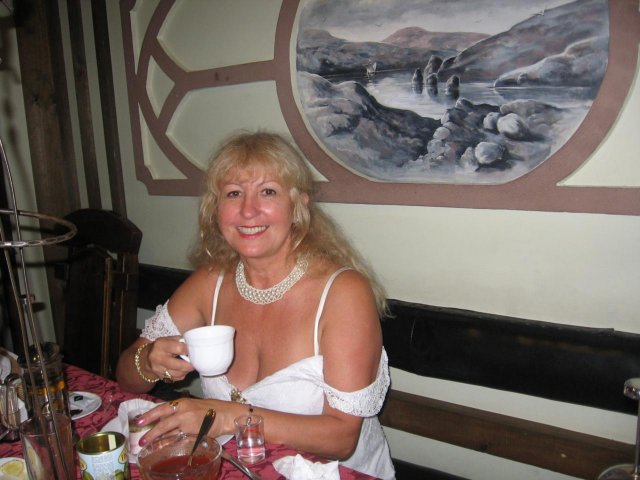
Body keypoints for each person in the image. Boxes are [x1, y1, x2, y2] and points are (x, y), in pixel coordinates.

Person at [115, 131, 395, 479]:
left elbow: (341, 438)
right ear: (215, 209)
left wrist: (224, 416)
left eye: (268, 192)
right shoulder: (209, 283)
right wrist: (148, 360)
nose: (248, 210)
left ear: (297, 206)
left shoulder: (343, 293)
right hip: (242, 467)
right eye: (234, 193)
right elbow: (126, 377)